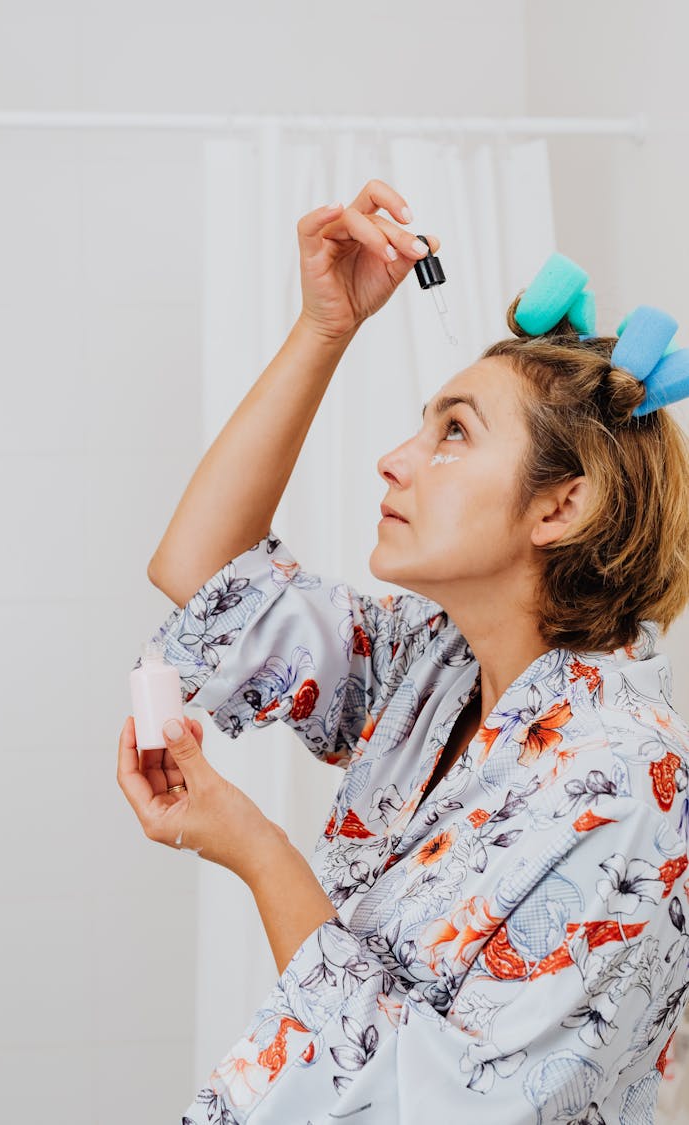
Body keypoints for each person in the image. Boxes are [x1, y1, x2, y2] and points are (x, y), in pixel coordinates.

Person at [117, 179, 689, 1123]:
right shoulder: (431, 670)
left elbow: (442, 1105)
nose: (394, 456)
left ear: (562, 505)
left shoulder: (631, 783)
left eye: (454, 432)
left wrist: (257, 848)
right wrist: (324, 328)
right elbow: (201, 571)